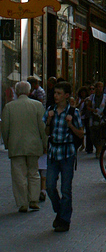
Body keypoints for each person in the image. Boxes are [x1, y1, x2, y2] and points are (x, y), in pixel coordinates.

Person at [43, 81, 84, 232]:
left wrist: (71, 125)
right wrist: (48, 120)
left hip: (67, 154)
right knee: (49, 186)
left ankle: (64, 220)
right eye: (55, 93)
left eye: (59, 93)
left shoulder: (74, 112)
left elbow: (81, 133)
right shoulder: (50, 110)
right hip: (54, 153)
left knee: (66, 189)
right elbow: (47, 133)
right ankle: (60, 211)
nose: (56, 96)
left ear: (66, 95)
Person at [1, 80, 47, 213]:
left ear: (16, 91)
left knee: (18, 175)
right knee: (33, 172)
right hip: (33, 145)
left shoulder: (9, 107)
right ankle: (34, 199)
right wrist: (45, 143)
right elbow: (42, 127)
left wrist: (7, 142)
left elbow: (5, 128)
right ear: (29, 91)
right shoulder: (37, 106)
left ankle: (23, 203)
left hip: (16, 146)